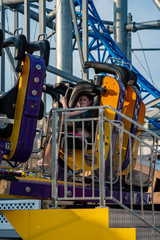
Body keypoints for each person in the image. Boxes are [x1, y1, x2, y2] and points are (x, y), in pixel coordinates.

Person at [37, 93, 94, 167]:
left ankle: (47, 160)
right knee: (52, 136)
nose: (82, 102)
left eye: (84, 100)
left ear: (90, 101)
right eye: (80, 100)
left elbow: (66, 114)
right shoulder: (82, 110)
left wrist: (64, 103)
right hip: (78, 135)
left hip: (82, 138)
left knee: (55, 136)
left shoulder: (86, 109)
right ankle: (49, 159)